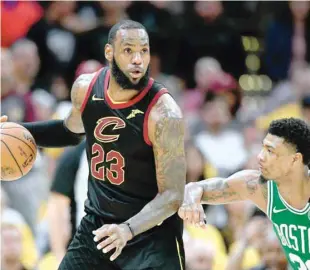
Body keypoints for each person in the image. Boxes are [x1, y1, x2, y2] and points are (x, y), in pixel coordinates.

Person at [1, 20, 186, 270]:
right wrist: (18, 131)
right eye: (128, 50)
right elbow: (69, 131)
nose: (138, 60)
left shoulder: (164, 114)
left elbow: (173, 195)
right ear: (109, 53)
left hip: (150, 236)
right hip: (98, 228)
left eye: (144, 50)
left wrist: (127, 230)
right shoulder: (86, 88)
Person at [178, 117, 310, 270]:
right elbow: (204, 187)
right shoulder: (263, 188)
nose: (260, 156)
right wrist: (192, 193)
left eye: (270, 151)